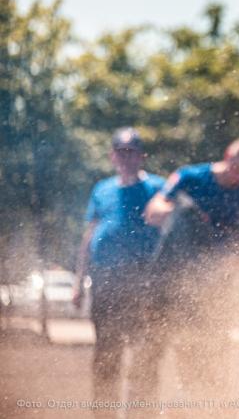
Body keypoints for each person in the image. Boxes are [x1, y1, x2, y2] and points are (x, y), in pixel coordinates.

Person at [143, 137, 239, 404]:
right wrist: (181, 212)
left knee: (207, 358)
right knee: (149, 352)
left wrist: (229, 261)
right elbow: (154, 210)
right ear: (228, 155)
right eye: (237, 170)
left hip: (211, 291)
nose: (238, 178)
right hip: (166, 282)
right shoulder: (189, 178)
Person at [72, 127, 165, 415]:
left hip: (145, 285)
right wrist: (78, 282)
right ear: (113, 156)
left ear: (142, 156)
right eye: (121, 152)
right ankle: (104, 412)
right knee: (106, 353)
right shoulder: (102, 189)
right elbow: (89, 236)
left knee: (145, 353)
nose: (126, 157)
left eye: (132, 152)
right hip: (106, 284)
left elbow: (171, 227)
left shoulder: (158, 188)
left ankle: (142, 412)